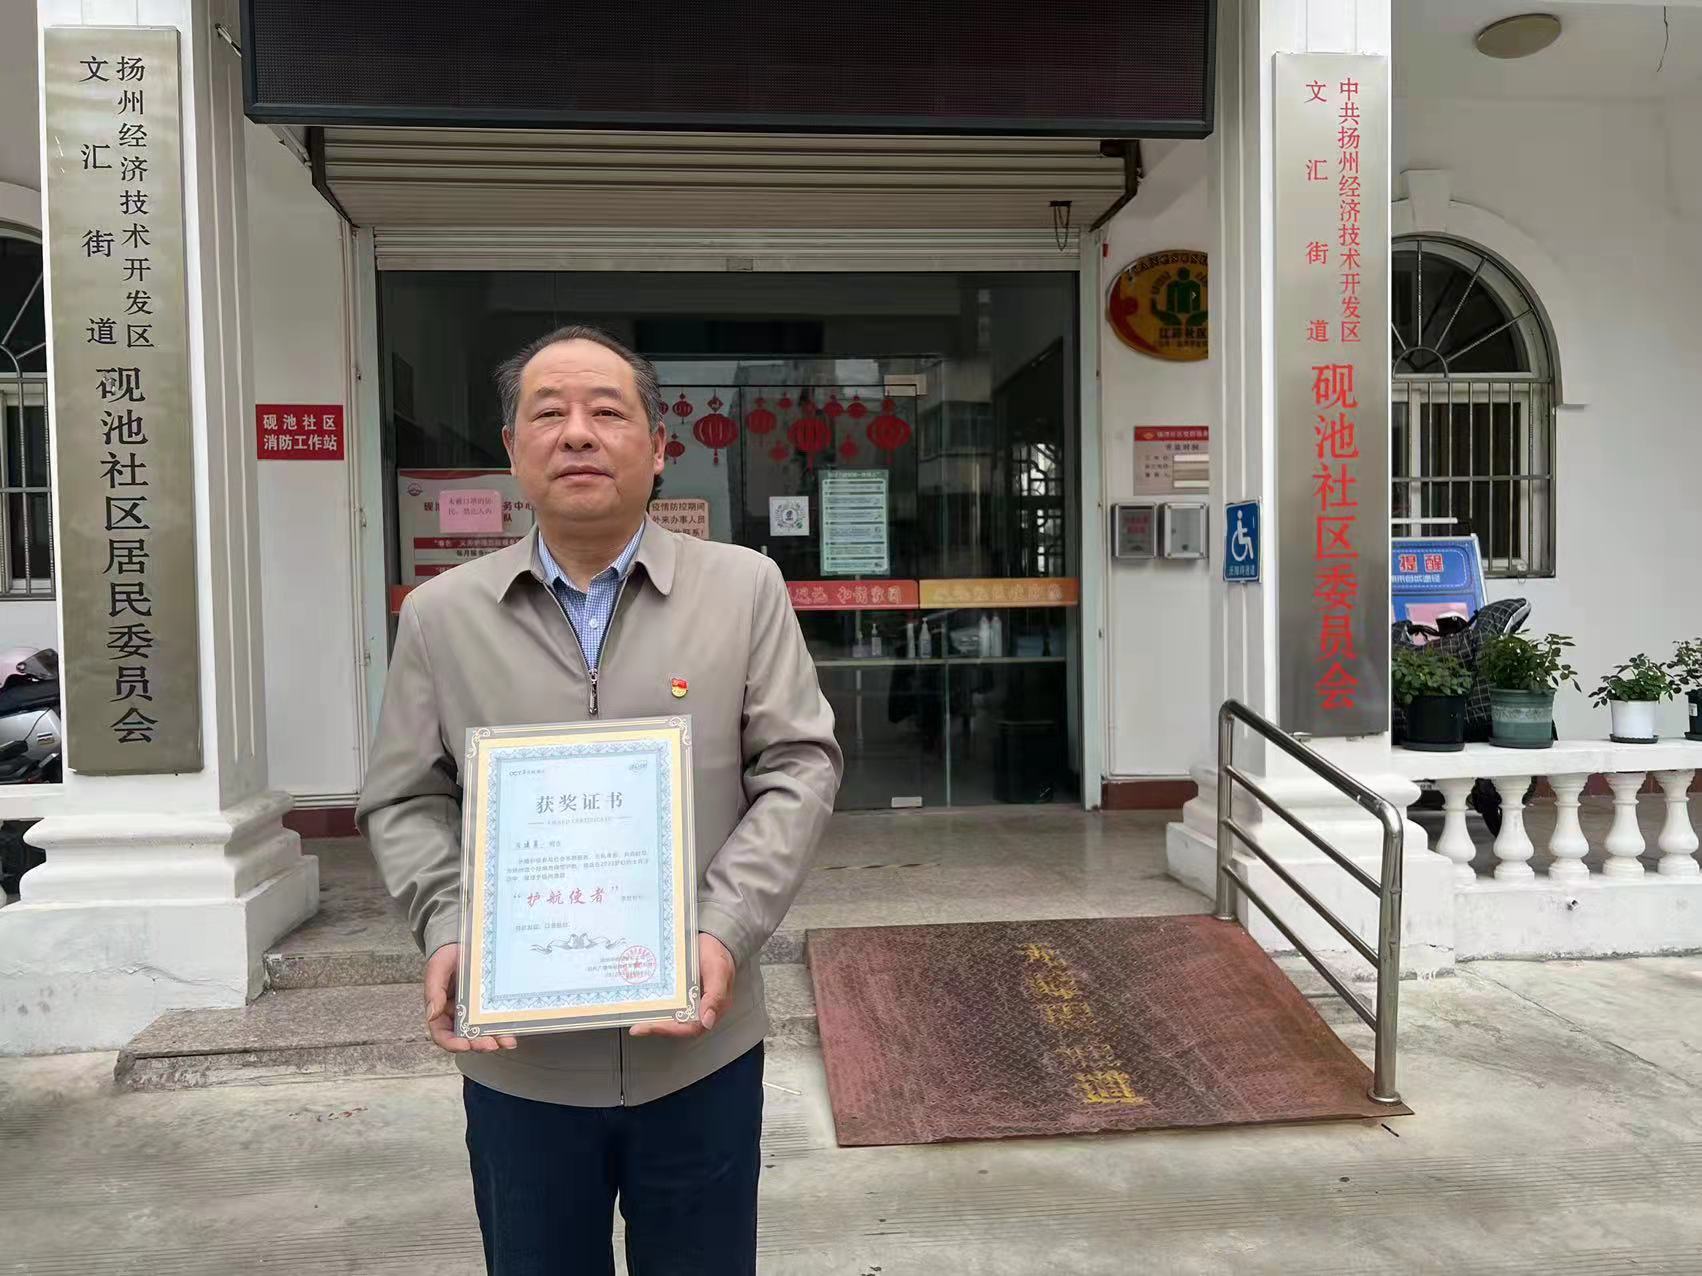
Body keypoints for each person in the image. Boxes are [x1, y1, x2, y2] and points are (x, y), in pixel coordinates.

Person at [357, 325, 843, 1275]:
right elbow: (406, 796)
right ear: (513, 451)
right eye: (549, 413)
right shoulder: (443, 614)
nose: (577, 433)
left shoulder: (744, 588)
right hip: (521, 1060)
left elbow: (799, 765)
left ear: (658, 447)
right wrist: (449, 926)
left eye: (607, 412)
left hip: (699, 1047)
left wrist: (721, 929)